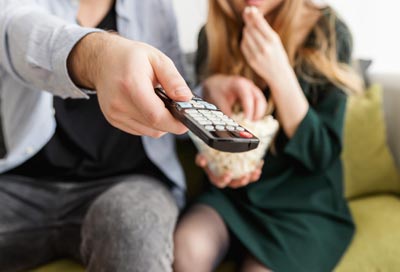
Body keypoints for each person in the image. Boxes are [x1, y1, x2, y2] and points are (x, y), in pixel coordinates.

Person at [0, 0, 192, 271]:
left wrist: (211, 90)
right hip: (23, 185)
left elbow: (180, 88)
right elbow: (19, 30)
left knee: (133, 231)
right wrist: (101, 57)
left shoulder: (155, 6)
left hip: (130, 183)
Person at [174, 0, 363, 271]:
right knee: (185, 250)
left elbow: (321, 155)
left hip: (304, 208)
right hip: (233, 199)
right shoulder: (212, 35)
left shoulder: (328, 31)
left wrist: (280, 74)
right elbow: (212, 141)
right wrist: (217, 162)